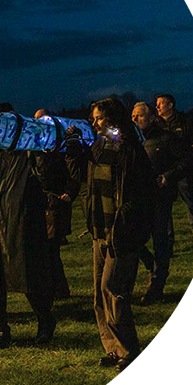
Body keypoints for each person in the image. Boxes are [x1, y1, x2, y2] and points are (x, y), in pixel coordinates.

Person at [65, 97, 155, 370]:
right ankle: (113, 349)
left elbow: (140, 195)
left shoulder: (130, 151)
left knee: (112, 290)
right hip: (99, 231)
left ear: (113, 120)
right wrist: (72, 152)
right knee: (98, 296)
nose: (94, 122)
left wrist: (124, 224)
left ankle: (129, 350)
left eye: (99, 118)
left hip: (121, 234)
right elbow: (81, 176)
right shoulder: (99, 146)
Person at [0, 102, 55, 349]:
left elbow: (45, 178)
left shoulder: (27, 147)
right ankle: (2, 331)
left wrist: (40, 153)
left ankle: (45, 322)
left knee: (29, 278)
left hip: (23, 222)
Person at [131, 103, 193, 304]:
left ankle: (156, 286)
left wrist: (168, 176)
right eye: (132, 115)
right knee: (134, 239)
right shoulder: (132, 140)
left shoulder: (166, 138)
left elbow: (189, 159)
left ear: (151, 117)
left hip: (159, 198)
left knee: (160, 241)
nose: (135, 119)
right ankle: (153, 266)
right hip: (139, 199)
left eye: (139, 116)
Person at [33, 108, 80, 299]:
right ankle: (56, 288)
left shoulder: (61, 145)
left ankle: (59, 290)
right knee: (47, 250)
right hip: (43, 202)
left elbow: (72, 168)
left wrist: (69, 192)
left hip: (55, 202)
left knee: (51, 249)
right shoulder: (36, 147)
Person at [156, 94, 193, 250]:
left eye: (161, 103)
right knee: (165, 207)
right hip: (166, 171)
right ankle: (168, 241)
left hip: (183, 170)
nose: (157, 107)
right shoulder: (157, 124)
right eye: (157, 104)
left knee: (190, 203)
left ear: (170, 105)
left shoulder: (184, 122)